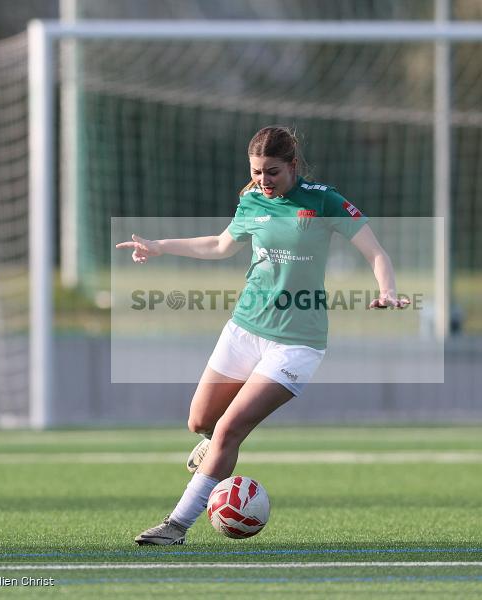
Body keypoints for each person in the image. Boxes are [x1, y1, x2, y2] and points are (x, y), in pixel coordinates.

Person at [117, 125, 409, 545]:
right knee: (200, 421)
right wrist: (160, 245)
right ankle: (214, 447)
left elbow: (375, 251)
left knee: (230, 428)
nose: (263, 181)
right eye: (256, 171)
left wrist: (388, 291)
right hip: (244, 329)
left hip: (297, 343)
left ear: (292, 165)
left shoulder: (324, 200)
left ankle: (175, 526)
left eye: (272, 172)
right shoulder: (251, 200)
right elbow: (220, 246)